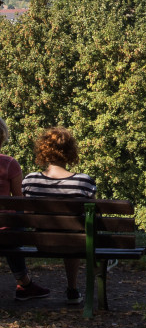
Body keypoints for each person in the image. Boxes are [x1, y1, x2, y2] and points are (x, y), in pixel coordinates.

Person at [22, 127, 97, 305]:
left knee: (69, 237)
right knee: (73, 237)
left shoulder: (30, 180)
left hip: (42, 243)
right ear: (71, 152)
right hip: (74, 245)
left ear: (43, 150)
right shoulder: (83, 182)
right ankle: (72, 289)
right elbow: (94, 217)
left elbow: (27, 215)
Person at [0, 117, 50, 302]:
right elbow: (19, 202)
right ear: (3, 136)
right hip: (4, 233)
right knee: (12, 226)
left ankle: (25, 283)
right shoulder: (9, 164)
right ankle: (24, 284)